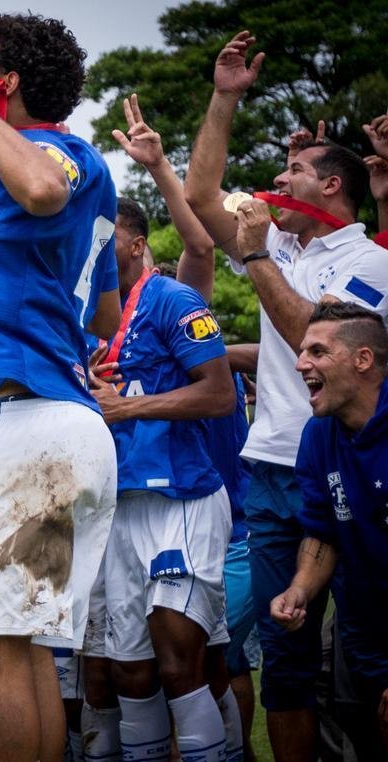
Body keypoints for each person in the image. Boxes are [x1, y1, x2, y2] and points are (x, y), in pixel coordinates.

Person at [183, 31, 388, 761]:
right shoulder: (282, 247)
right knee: (286, 658)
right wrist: (224, 98)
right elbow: (199, 194)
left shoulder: (369, 261)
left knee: (370, 656)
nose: (277, 177)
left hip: (350, 465)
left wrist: (255, 253)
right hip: (270, 464)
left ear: (331, 187)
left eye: (294, 169)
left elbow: (314, 334)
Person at [0, 13, 121, 761]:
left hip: (28, 423)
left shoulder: (53, 155)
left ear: (6, 83)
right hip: (64, 420)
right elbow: (105, 314)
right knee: (26, 644)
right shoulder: (90, 165)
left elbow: (43, 186)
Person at [84, 197, 236, 761]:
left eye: (104, 241)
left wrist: (126, 408)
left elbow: (219, 394)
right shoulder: (86, 317)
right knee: (131, 672)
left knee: (178, 665)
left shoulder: (172, 298)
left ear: (137, 245)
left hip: (182, 498)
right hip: (116, 507)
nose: (93, 253)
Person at [270, 301, 388, 758]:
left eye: (317, 351)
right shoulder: (318, 436)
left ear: (363, 360)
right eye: (303, 351)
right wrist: (299, 589)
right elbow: (323, 533)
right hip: (363, 637)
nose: (301, 364)